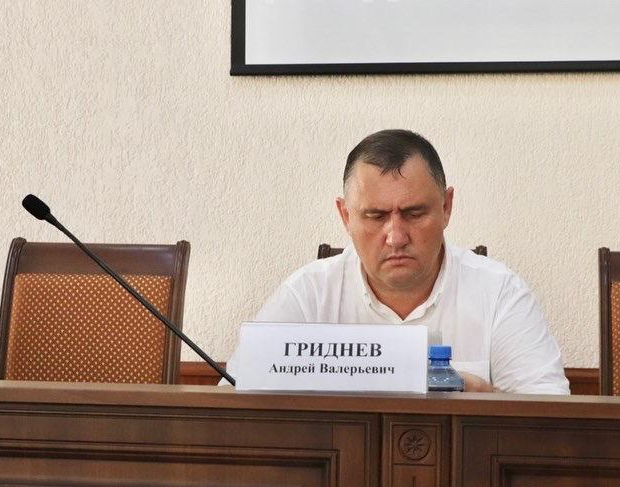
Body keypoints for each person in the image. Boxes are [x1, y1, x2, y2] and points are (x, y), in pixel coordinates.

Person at [228, 129, 569, 394]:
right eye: (375, 216)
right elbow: (234, 401)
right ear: (346, 216)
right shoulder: (309, 294)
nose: (396, 237)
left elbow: (550, 419)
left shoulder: (500, 293)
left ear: (446, 207)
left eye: (414, 213)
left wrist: (483, 397)